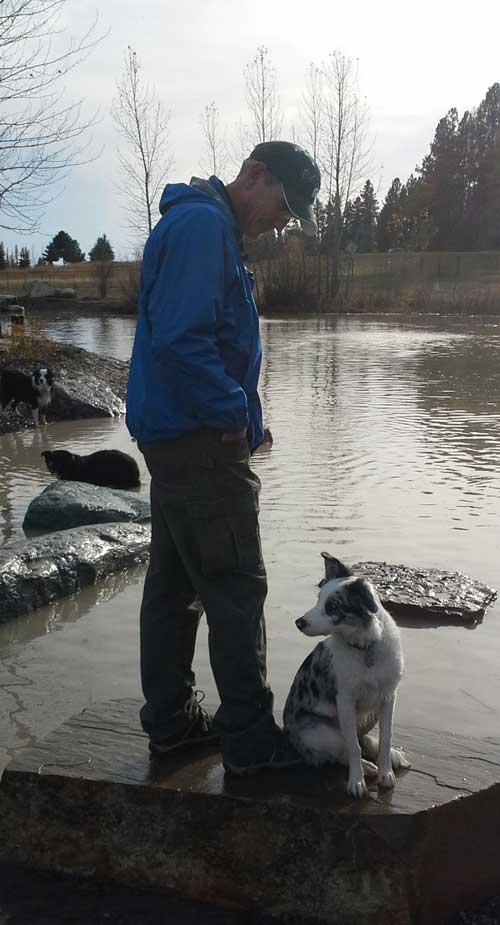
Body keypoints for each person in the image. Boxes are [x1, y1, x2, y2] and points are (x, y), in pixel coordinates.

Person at [126, 140, 321, 775]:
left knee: (176, 589)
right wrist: (236, 416)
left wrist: (248, 417)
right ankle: (250, 744)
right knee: (236, 588)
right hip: (201, 443)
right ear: (255, 174)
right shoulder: (204, 226)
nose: (285, 221)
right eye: (286, 204)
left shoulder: (201, 226)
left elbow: (202, 340)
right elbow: (184, 342)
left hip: (181, 440)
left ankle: (173, 726)